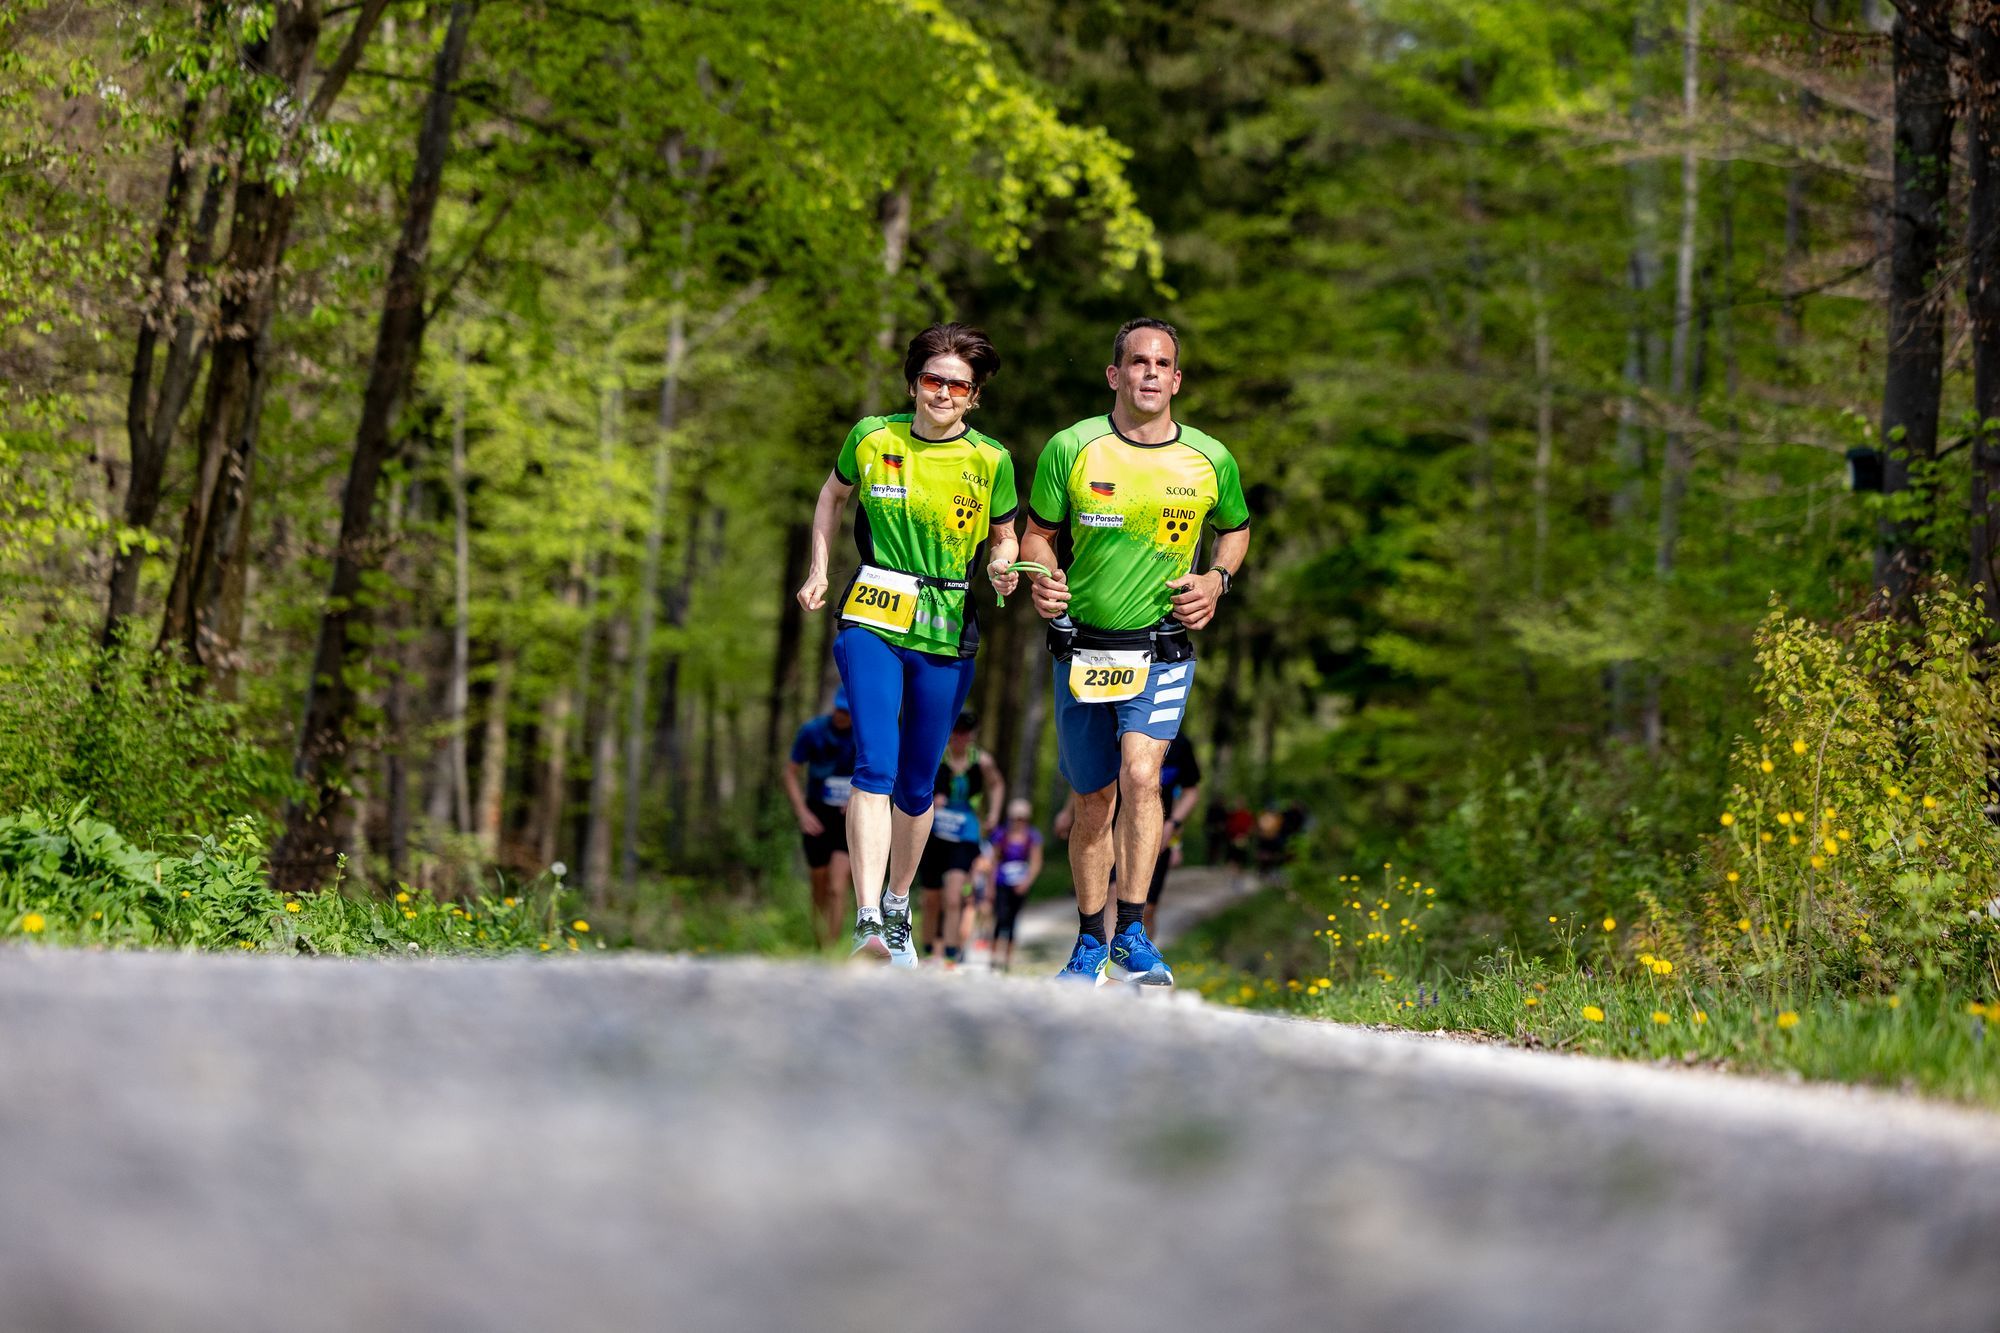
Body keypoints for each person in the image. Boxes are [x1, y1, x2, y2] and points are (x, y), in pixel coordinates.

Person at [1021, 317, 1250, 986]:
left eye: (1163, 363)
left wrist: (1216, 578)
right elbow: (1037, 535)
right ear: (1114, 375)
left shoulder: (1210, 458)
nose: (1150, 371)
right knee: (1092, 799)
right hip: (1084, 646)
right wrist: (1043, 578)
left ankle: (1133, 930)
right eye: (1138, 361)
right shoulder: (1073, 447)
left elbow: (1235, 530)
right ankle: (1090, 939)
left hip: (1164, 646)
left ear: (1176, 380)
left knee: (1142, 776)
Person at [796, 324, 1020, 966]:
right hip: (873, 609)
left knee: (919, 784)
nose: (942, 394)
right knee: (874, 764)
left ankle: (898, 903)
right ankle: (866, 916)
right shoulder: (873, 436)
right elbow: (833, 496)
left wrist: (1004, 565)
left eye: (958, 385)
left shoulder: (991, 460)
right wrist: (820, 569)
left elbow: (1004, 534)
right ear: (913, 382)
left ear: (973, 397)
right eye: (932, 380)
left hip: (947, 622)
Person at [918, 711, 1005, 966]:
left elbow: (997, 784)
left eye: (966, 732)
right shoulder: (937, 755)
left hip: (965, 834)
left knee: (954, 896)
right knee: (931, 898)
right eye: (956, 731)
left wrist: (993, 813)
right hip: (934, 833)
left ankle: (949, 954)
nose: (960, 737)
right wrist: (931, 799)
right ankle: (928, 951)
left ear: (972, 735)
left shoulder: (982, 761)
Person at [783, 687, 856, 946]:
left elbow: (880, 773)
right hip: (816, 815)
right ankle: (819, 943)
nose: (841, 716)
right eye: (838, 709)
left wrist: (859, 798)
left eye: (847, 712)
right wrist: (802, 812)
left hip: (846, 819)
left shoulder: (864, 735)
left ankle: (832, 949)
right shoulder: (812, 731)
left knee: (838, 887)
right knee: (820, 886)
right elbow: (790, 772)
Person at [1143, 732, 1203, 937]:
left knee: (1147, 910)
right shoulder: (1117, 728)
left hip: (1160, 839)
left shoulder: (1180, 743)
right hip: (1119, 833)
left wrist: (1174, 833)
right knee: (1117, 900)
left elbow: (1189, 793)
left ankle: (1141, 962)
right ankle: (1105, 960)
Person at [989, 797, 1044, 973]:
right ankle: (993, 957)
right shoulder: (1001, 834)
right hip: (1002, 882)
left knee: (1013, 921)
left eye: (1021, 818)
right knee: (1000, 918)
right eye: (1015, 818)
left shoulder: (1032, 836)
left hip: (1020, 885)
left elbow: (1036, 862)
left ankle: (1007, 960)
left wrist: (1027, 881)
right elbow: (994, 860)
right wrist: (990, 885)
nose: (1017, 822)